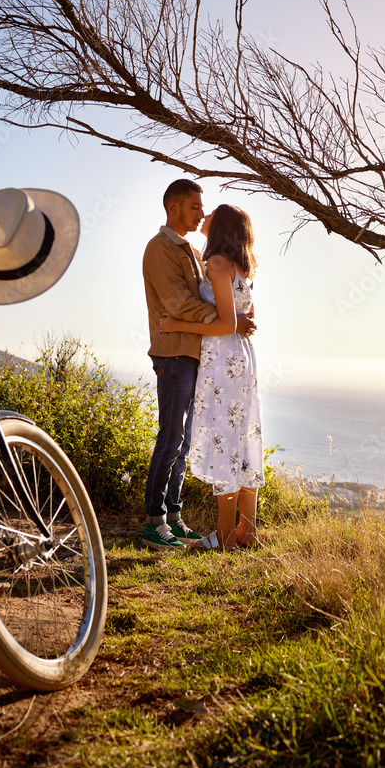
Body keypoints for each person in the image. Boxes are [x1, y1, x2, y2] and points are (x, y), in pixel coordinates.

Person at [142, 181, 255, 551]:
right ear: (173, 207)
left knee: (185, 440)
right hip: (174, 351)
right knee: (171, 436)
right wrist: (230, 320)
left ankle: (174, 517)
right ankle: (154, 522)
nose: (201, 214)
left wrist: (232, 319)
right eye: (194, 207)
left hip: (199, 354)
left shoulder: (193, 250)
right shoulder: (160, 248)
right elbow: (177, 303)